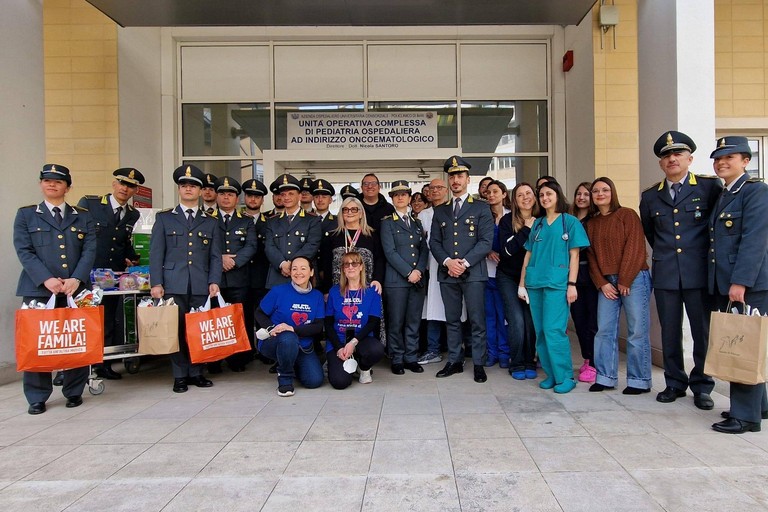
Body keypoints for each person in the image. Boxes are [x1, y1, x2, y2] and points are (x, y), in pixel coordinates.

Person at [639, 131, 722, 409]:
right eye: (666, 156)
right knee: (669, 332)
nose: (672, 158)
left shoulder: (709, 189)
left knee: (702, 332)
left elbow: (716, 230)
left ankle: (702, 385)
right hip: (666, 275)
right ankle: (674, 382)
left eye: (677, 154)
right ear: (661, 163)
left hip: (698, 273)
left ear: (690, 158)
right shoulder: (651, 196)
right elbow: (652, 234)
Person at [14, 164, 97, 414]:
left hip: (75, 289)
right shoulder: (27, 215)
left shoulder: (83, 215)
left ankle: (73, 391)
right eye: (47, 180)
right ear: (41, 184)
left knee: (76, 339)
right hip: (39, 289)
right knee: (38, 342)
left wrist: (77, 278)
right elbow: (24, 250)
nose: (52, 184)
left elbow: (90, 249)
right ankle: (37, 396)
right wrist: (46, 279)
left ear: (68, 187)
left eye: (58, 182)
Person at [708, 136, 768, 434]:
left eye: (729, 157)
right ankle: (759, 405)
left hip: (746, 284)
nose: (722, 162)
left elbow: (754, 240)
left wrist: (740, 282)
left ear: (746, 161)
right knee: (748, 343)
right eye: (718, 158)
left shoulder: (756, 192)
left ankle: (745, 417)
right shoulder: (725, 193)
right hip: (727, 282)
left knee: (741, 344)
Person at [149, 164, 221, 393]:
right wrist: (156, 283)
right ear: (179, 189)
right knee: (176, 330)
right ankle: (180, 375)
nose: (188, 189)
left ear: (201, 191)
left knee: (198, 330)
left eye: (193, 186)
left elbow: (215, 256)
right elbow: (156, 253)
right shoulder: (164, 219)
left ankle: (197, 372)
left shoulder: (210, 221)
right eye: (184, 186)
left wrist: (214, 280)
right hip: (173, 283)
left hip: (200, 283)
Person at [519, 180, 588, 394]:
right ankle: (551, 374)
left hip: (557, 284)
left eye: (549, 194)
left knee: (554, 330)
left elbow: (574, 255)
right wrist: (522, 284)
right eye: (542, 195)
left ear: (557, 195)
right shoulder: (537, 224)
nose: (545, 198)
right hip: (535, 282)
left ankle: (565, 376)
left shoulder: (570, 222)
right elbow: (528, 255)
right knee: (540, 331)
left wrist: (572, 284)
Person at [430, 156, 494, 383]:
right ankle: (455, 361)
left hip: (473, 273)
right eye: (452, 176)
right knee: (452, 319)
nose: (455, 180)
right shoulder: (440, 211)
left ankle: (478, 363)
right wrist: (448, 262)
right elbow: (434, 243)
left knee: (477, 319)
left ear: (468, 179)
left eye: (459, 176)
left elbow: (486, 241)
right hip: (448, 273)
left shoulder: (480, 208)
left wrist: (463, 263)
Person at [77, 167, 145, 380]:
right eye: (122, 183)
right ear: (114, 184)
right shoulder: (91, 205)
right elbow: (77, 238)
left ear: (136, 190)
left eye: (131, 186)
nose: (125, 188)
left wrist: (133, 257)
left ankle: (102, 364)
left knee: (106, 320)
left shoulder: (133, 214)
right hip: (87, 274)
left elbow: (122, 242)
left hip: (111, 278)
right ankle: (74, 367)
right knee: (83, 321)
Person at [585, 177, 652, 395]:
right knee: (604, 330)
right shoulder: (592, 223)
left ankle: (638, 380)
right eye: (595, 191)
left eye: (605, 190)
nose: (600, 194)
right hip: (606, 284)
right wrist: (602, 283)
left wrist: (625, 279)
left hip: (634, 279)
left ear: (612, 192)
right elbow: (591, 256)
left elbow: (635, 248)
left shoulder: (627, 215)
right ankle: (605, 377)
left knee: (636, 331)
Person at [254, 256, 325, 396]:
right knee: (288, 337)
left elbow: (318, 326)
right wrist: (272, 328)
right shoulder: (278, 291)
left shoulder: (317, 296)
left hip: (303, 347)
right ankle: (285, 379)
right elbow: (259, 313)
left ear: (311, 272)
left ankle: (291, 363)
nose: (298, 272)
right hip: (275, 342)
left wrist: (292, 328)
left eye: (303, 268)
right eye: (294, 269)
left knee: (314, 381)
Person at [209, 176, 257, 373]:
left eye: (230, 194)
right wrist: (219, 259)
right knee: (215, 320)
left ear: (237, 199)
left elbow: (251, 246)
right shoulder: (207, 219)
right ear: (217, 196)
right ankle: (214, 360)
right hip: (215, 278)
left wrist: (233, 261)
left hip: (238, 278)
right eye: (222, 194)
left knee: (239, 320)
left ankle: (238, 358)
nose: (226, 197)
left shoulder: (246, 221)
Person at [380, 180, 428, 375]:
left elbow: (424, 249)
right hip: (397, 281)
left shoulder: (417, 223)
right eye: (396, 194)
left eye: (404, 194)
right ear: (392, 198)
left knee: (413, 321)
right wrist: (409, 272)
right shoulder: (387, 222)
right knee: (397, 322)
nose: (400, 197)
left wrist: (419, 271)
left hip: (417, 280)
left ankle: (411, 357)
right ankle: (397, 358)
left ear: (409, 198)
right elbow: (389, 252)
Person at [325, 251, 385, 388]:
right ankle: (339, 363)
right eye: (346, 264)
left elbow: (373, 322)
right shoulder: (334, 291)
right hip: (338, 339)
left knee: (376, 350)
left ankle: (363, 368)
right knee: (340, 382)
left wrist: (353, 342)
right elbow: (328, 323)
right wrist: (339, 347)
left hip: (361, 339)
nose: (350, 267)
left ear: (361, 267)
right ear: (343, 269)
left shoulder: (372, 291)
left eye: (354, 263)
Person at [498, 183, 538, 380]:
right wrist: (526, 230)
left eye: (528, 193)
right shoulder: (507, 221)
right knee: (517, 320)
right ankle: (517, 362)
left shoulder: (544, 220)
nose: (525, 198)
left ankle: (530, 361)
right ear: (514, 200)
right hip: (508, 277)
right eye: (520, 195)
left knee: (530, 321)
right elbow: (507, 251)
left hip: (534, 278)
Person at [264, 173, 322, 289]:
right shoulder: (272, 221)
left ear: (300, 196)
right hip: (278, 276)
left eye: (291, 194)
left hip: (302, 277)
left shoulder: (312, 220)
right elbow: (269, 247)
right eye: (283, 194)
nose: (286, 197)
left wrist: (292, 265)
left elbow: (312, 245)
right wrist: (283, 264)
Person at [418, 178, 452, 365]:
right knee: (432, 309)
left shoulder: (453, 210)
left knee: (454, 310)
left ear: (446, 190)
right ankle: (433, 349)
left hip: (453, 267)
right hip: (431, 266)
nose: (436, 191)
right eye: (432, 188)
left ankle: (457, 349)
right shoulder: (424, 214)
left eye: (439, 187)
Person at [319, 196, 385, 294]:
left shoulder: (372, 236)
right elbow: (326, 266)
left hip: (366, 290)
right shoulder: (332, 236)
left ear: (361, 213)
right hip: (338, 290)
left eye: (354, 209)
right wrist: (326, 291)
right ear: (341, 214)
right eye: (346, 210)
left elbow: (380, 260)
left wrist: (377, 280)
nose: (349, 212)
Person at [568, 182, 598, 383]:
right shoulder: (569, 220)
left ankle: (594, 362)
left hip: (593, 275)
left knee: (593, 322)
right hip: (573, 276)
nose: (581, 197)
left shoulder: (595, 221)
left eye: (586, 194)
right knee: (579, 321)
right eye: (578, 193)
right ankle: (586, 357)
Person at [484, 180, 511, 368]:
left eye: (495, 191)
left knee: (504, 316)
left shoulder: (512, 216)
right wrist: (487, 251)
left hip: (506, 274)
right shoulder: (482, 216)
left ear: (504, 194)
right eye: (488, 192)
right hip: (485, 273)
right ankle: (491, 353)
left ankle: (504, 353)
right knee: (488, 316)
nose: (491, 195)